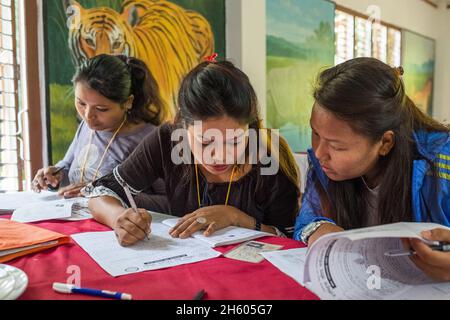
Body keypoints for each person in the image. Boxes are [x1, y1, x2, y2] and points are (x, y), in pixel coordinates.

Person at [86, 58, 301, 246]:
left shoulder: (266, 155)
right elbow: (100, 191)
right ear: (182, 126)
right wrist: (118, 218)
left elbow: (291, 239)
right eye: (205, 142)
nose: (220, 156)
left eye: (234, 141)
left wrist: (236, 217)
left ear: (249, 127)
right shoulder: (169, 141)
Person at [294, 57, 450, 281]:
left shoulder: (440, 165)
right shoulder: (325, 166)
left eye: (337, 146)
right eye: (315, 134)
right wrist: (320, 230)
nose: (319, 153)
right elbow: (308, 217)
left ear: (385, 143)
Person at [32, 54, 166, 198]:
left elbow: (169, 202)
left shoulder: (150, 139)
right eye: (81, 103)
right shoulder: (86, 126)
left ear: (128, 102)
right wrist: (54, 176)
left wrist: (102, 192)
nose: (88, 116)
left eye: (101, 109)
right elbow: (68, 166)